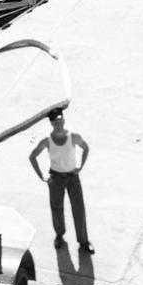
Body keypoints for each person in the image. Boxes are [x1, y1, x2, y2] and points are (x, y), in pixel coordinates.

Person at [29, 107, 94, 253]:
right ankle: (59, 235)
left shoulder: (73, 136)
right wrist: (42, 176)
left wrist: (80, 167)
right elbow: (32, 156)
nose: (58, 125)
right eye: (55, 123)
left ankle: (83, 241)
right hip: (56, 178)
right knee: (56, 208)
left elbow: (86, 148)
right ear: (51, 124)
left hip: (72, 177)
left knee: (79, 209)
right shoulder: (47, 140)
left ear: (63, 120)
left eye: (60, 122)